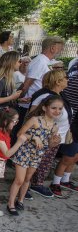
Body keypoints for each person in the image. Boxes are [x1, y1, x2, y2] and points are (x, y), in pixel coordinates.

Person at [8, 95, 62, 215]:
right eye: (54, 108)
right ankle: (10, 203)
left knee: (27, 179)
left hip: (37, 155)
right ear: (44, 108)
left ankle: (20, 200)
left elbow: (48, 145)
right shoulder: (35, 120)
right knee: (19, 180)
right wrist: (33, 137)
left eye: (60, 109)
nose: (57, 111)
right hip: (24, 152)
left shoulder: (54, 127)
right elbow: (19, 134)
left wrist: (54, 142)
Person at [27, 70, 71, 197]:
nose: (68, 80)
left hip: (55, 137)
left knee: (45, 163)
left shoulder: (59, 94)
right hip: (44, 137)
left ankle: (36, 184)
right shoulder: (45, 96)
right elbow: (33, 115)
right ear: (58, 81)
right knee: (36, 163)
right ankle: (27, 186)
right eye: (65, 78)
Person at [51, 62, 78, 197]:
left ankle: (65, 179)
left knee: (74, 155)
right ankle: (56, 182)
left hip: (72, 120)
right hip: (72, 122)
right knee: (69, 155)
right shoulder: (74, 79)